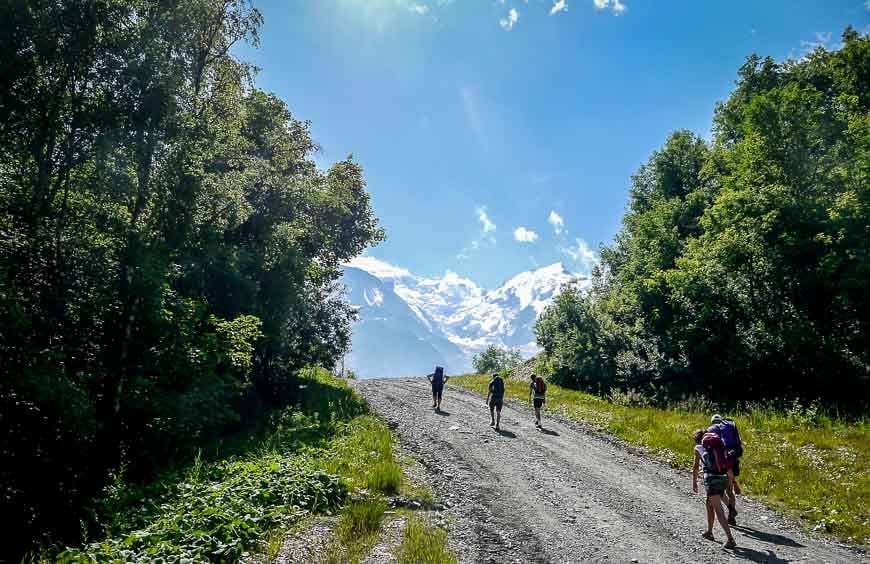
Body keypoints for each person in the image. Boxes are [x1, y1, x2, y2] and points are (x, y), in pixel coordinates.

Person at [692, 429, 737, 549]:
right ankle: (710, 531)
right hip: (723, 478)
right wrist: (734, 483)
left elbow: (696, 467)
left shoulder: (698, 448)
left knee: (718, 510)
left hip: (711, 480)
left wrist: (694, 482)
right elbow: (728, 467)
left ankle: (730, 539)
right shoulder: (719, 447)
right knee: (710, 503)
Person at [708, 414, 744, 525]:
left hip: (722, 462)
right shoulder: (730, 426)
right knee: (730, 491)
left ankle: (731, 510)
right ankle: (731, 517)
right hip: (733, 459)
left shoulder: (711, 430)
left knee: (719, 490)